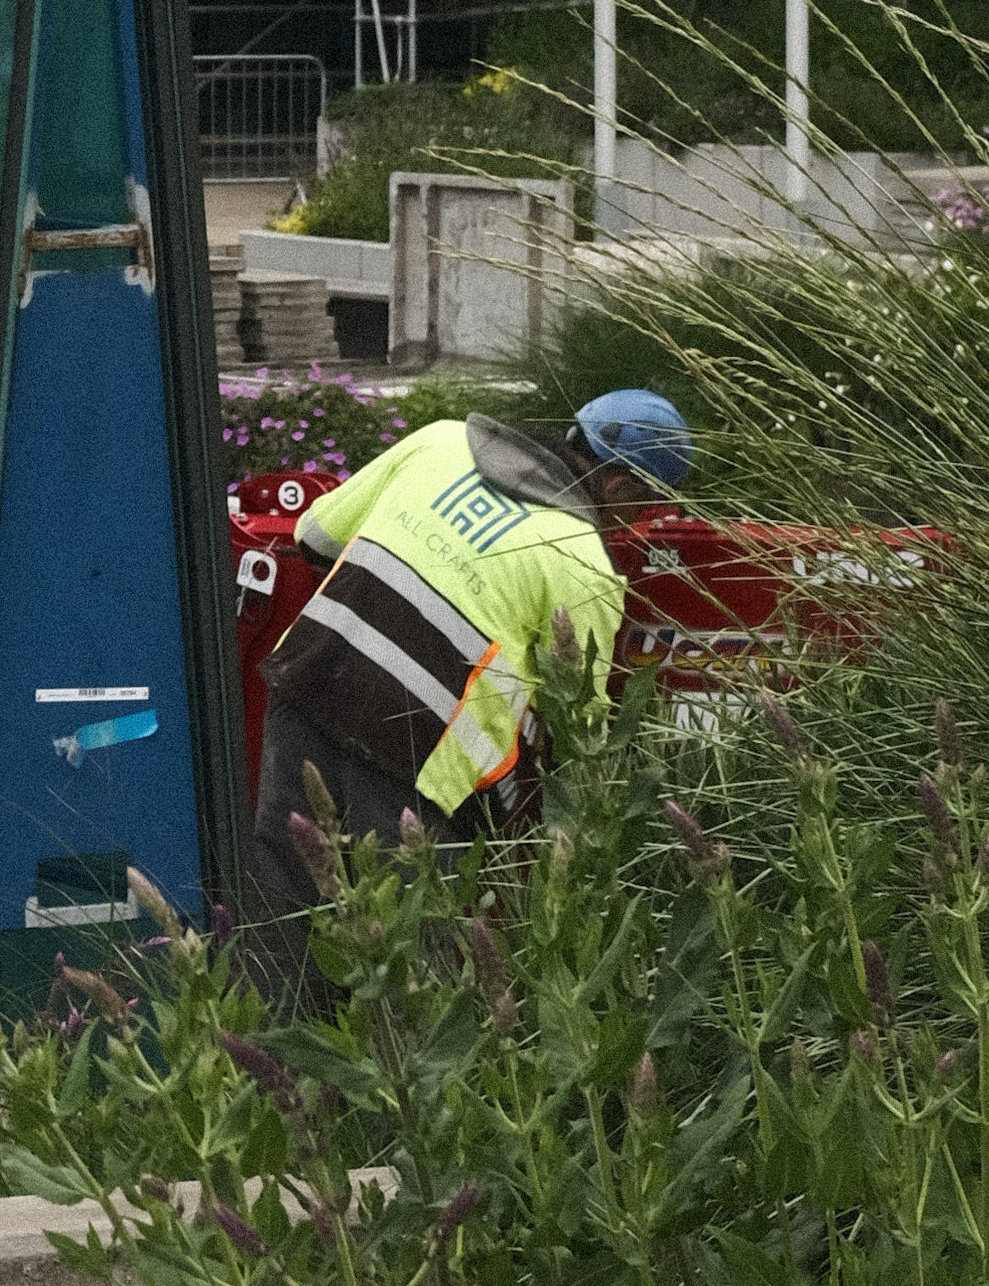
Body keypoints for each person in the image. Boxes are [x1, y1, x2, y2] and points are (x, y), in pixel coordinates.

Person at [242, 385, 692, 984]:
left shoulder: (440, 441)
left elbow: (315, 538)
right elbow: (581, 736)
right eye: (647, 507)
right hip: (416, 765)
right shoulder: (580, 559)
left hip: (308, 688)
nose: (639, 525)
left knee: (283, 912)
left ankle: (262, 1066)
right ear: (617, 487)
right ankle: (382, 1076)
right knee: (411, 970)